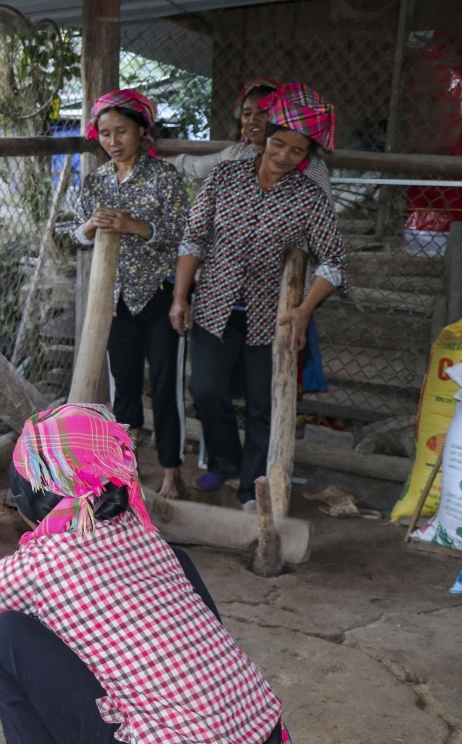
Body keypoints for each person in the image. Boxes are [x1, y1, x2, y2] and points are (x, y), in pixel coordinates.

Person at [0, 404, 290, 744]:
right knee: (165, 579)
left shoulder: (44, 561)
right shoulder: (143, 534)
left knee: (3, 639)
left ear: (26, 499)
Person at [171, 83, 348, 509]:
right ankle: (225, 460)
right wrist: (180, 297)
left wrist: (305, 309)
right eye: (278, 142)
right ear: (265, 135)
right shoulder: (225, 176)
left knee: (262, 406)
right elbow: (193, 239)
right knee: (206, 389)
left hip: (273, 317)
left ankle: (254, 490)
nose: (284, 155)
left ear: (307, 155)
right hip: (214, 305)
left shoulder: (309, 198)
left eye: (296, 150)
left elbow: (335, 262)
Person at [75, 90, 189, 499]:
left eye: (121, 131)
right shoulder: (95, 181)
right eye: (105, 133)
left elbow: (184, 237)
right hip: (115, 298)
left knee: (164, 385)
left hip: (160, 295)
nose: (113, 141)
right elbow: (77, 235)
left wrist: (135, 226)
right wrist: (89, 227)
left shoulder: (165, 178)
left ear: (142, 130)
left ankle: (173, 472)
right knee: (123, 385)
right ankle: (124, 472)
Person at [166, 78, 333, 197]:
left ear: (281, 118)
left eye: (263, 112)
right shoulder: (237, 154)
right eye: (247, 114)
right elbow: (195, 166)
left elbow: (326, 221)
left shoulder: (311, 168)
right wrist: (156, 158)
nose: (253, 120)